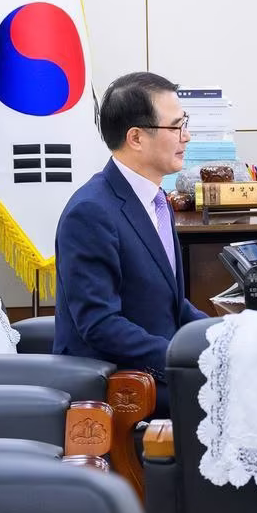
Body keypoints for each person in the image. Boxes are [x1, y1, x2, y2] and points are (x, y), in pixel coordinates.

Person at [54, 72, 207, 415]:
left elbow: (171, 305)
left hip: (159, 367)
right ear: (136, 137)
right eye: (176, 127)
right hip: (121, 382)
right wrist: (184, 357)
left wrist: (226, 337)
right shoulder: (91, 212)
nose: (187, 136)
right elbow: (100, 325)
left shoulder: (156, 200)